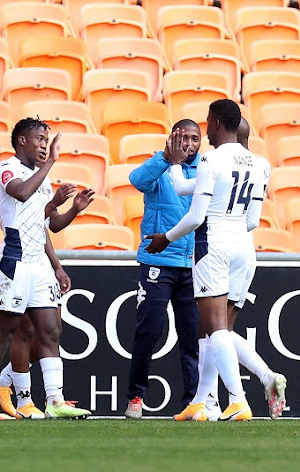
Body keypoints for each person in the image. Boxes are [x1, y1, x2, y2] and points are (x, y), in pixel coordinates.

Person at [146, 99, 271, 421]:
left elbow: (195, 216)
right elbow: (253, 220)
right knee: (213, 329)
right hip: (244, 246)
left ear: (215, 122)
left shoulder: (211, 159)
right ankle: (203, 401)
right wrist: (175, 165)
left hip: (213, 244)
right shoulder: (260, 163)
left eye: (207, 122)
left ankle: (241, 398)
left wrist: (166, 239)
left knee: (215, 329)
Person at [0, 117, 93, 420]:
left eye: (47, 141)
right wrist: (50, 165)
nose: (44, 146)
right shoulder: (7, 169)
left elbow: (50, 225)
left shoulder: (42, 179)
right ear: (22, 140)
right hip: (13, 263)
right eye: (40, 140)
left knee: (50, 330)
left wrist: (73, 209)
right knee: (4, 335)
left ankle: (55, 401)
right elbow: (20, 193)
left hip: (39, 266)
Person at [122, 119, 204, 420]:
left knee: (191, 336)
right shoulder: (160, 165)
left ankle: (193, 402)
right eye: (185, 138)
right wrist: (165, 160)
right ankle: (135, 397)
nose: (190, 144)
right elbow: (136, 180)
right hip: (157, 262)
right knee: (149, 330)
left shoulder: (203, 171)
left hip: (192, 264)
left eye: (196, 139)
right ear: (173, 138)